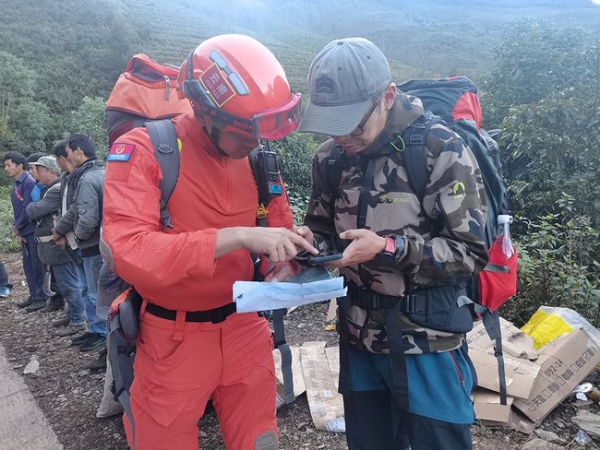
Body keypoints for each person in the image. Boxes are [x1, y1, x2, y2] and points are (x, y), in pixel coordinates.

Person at [101, 34, 317, 450]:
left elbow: (274, 242)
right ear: (203, 110)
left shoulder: (257, 159)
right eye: (245, 133)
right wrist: (235, 235)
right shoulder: (146, 150)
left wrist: (295, 249)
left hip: (245, 328)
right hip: (172, 336)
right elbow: (128, 252)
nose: (256, 142)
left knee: (260, 440)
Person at [297, 37, 489, 450]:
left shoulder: (439, 149)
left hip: (427, 343)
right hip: (359, 339)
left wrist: (388, 250)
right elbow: (325, 228)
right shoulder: (329, 158)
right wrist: (310, 242)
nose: (343, 136)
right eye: (333, 124)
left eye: (352, 123)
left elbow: (470, 253)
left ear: (387, 97)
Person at [53, 133, 106, 352]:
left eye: (67, 154)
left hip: (93, 245)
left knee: (95, 293)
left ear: (78, 152)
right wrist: (60, 229)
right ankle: (95, 329)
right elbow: (76, 208)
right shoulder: (96, 174)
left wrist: (76, 238)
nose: (66, 159)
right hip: (95, 244)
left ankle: (102, 335)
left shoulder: (87, 178)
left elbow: (87, 218)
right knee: (87, 290)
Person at [25, 154, 87, 330]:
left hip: (58, 246)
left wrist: (31, 206)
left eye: (39, 169)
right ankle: (73, 315)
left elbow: (33, 212)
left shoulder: (55, 190)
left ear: (51, 171)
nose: (35, 173)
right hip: (51, 247)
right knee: (64, 284)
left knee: (69, 284)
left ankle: (77, 320)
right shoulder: (49, 189)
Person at [3, 151, 47, 310]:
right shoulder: (16, 183)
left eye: (9, 165)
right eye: (5, 165)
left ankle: (41, 296)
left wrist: (17, 227)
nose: (6, 168)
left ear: (20, 166)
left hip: (30, 229)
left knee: (36, 264)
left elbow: (27, 208)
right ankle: (34, 294)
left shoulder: (27, 182)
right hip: (23, 230)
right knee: (28, 264)